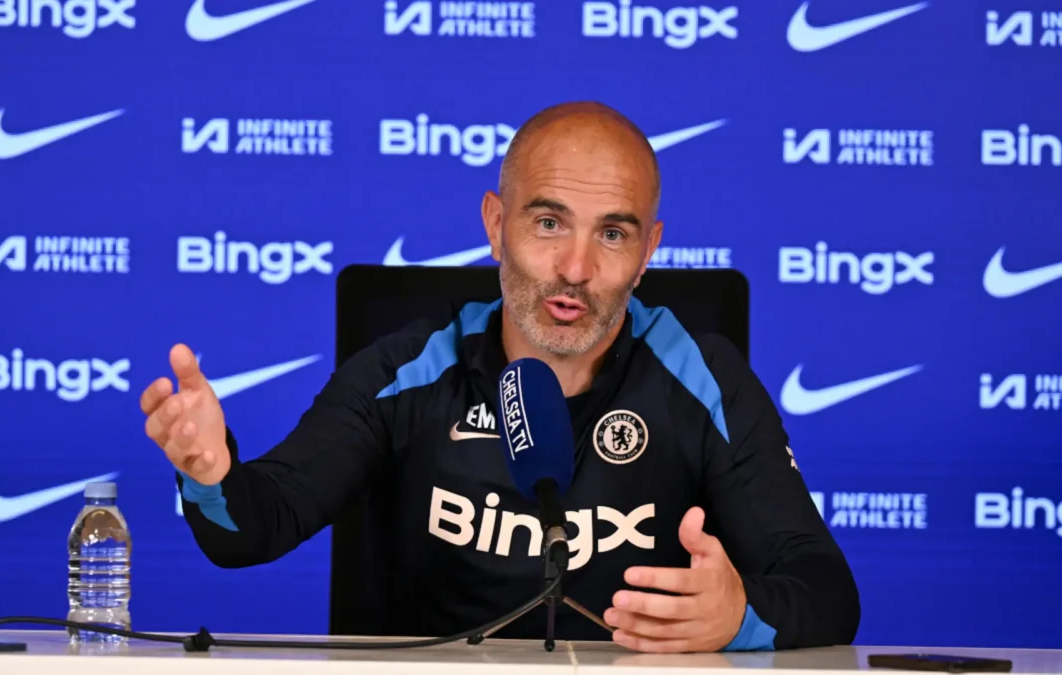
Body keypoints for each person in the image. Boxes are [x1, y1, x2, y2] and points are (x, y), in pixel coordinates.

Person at [140, 101, 861, 653]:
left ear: (648, 253)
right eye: (549, 223)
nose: (575, 268)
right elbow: (250, 529)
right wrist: (210, 471)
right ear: (495, 224)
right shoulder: (410, 371)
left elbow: (828, 591)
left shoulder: (702, 376)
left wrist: (739, 617)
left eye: (613, 234)